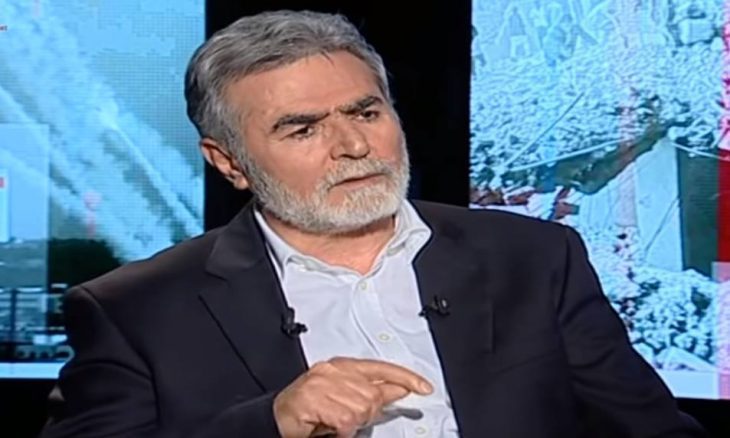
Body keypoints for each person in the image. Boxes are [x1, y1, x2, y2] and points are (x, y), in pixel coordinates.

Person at [41, 9, 706, 438]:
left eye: (365, 112)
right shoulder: (136, 310)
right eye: (302, 129)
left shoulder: (534, 257)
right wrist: (271, 424)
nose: (354, 146)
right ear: (229, 162)